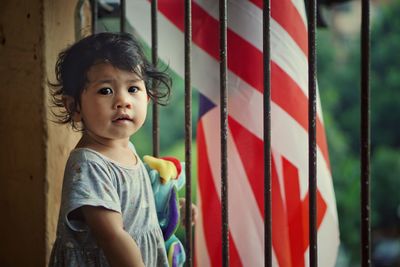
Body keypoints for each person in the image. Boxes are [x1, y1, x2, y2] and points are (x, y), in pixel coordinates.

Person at [49, 32, 194, 267]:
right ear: (74, 106)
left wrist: (172, 209)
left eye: (133, 89)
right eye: (106, 90)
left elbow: (135, 209)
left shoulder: (126, 150)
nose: (123, 101)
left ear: (147, 98)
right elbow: (112, 236)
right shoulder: (89, 164)